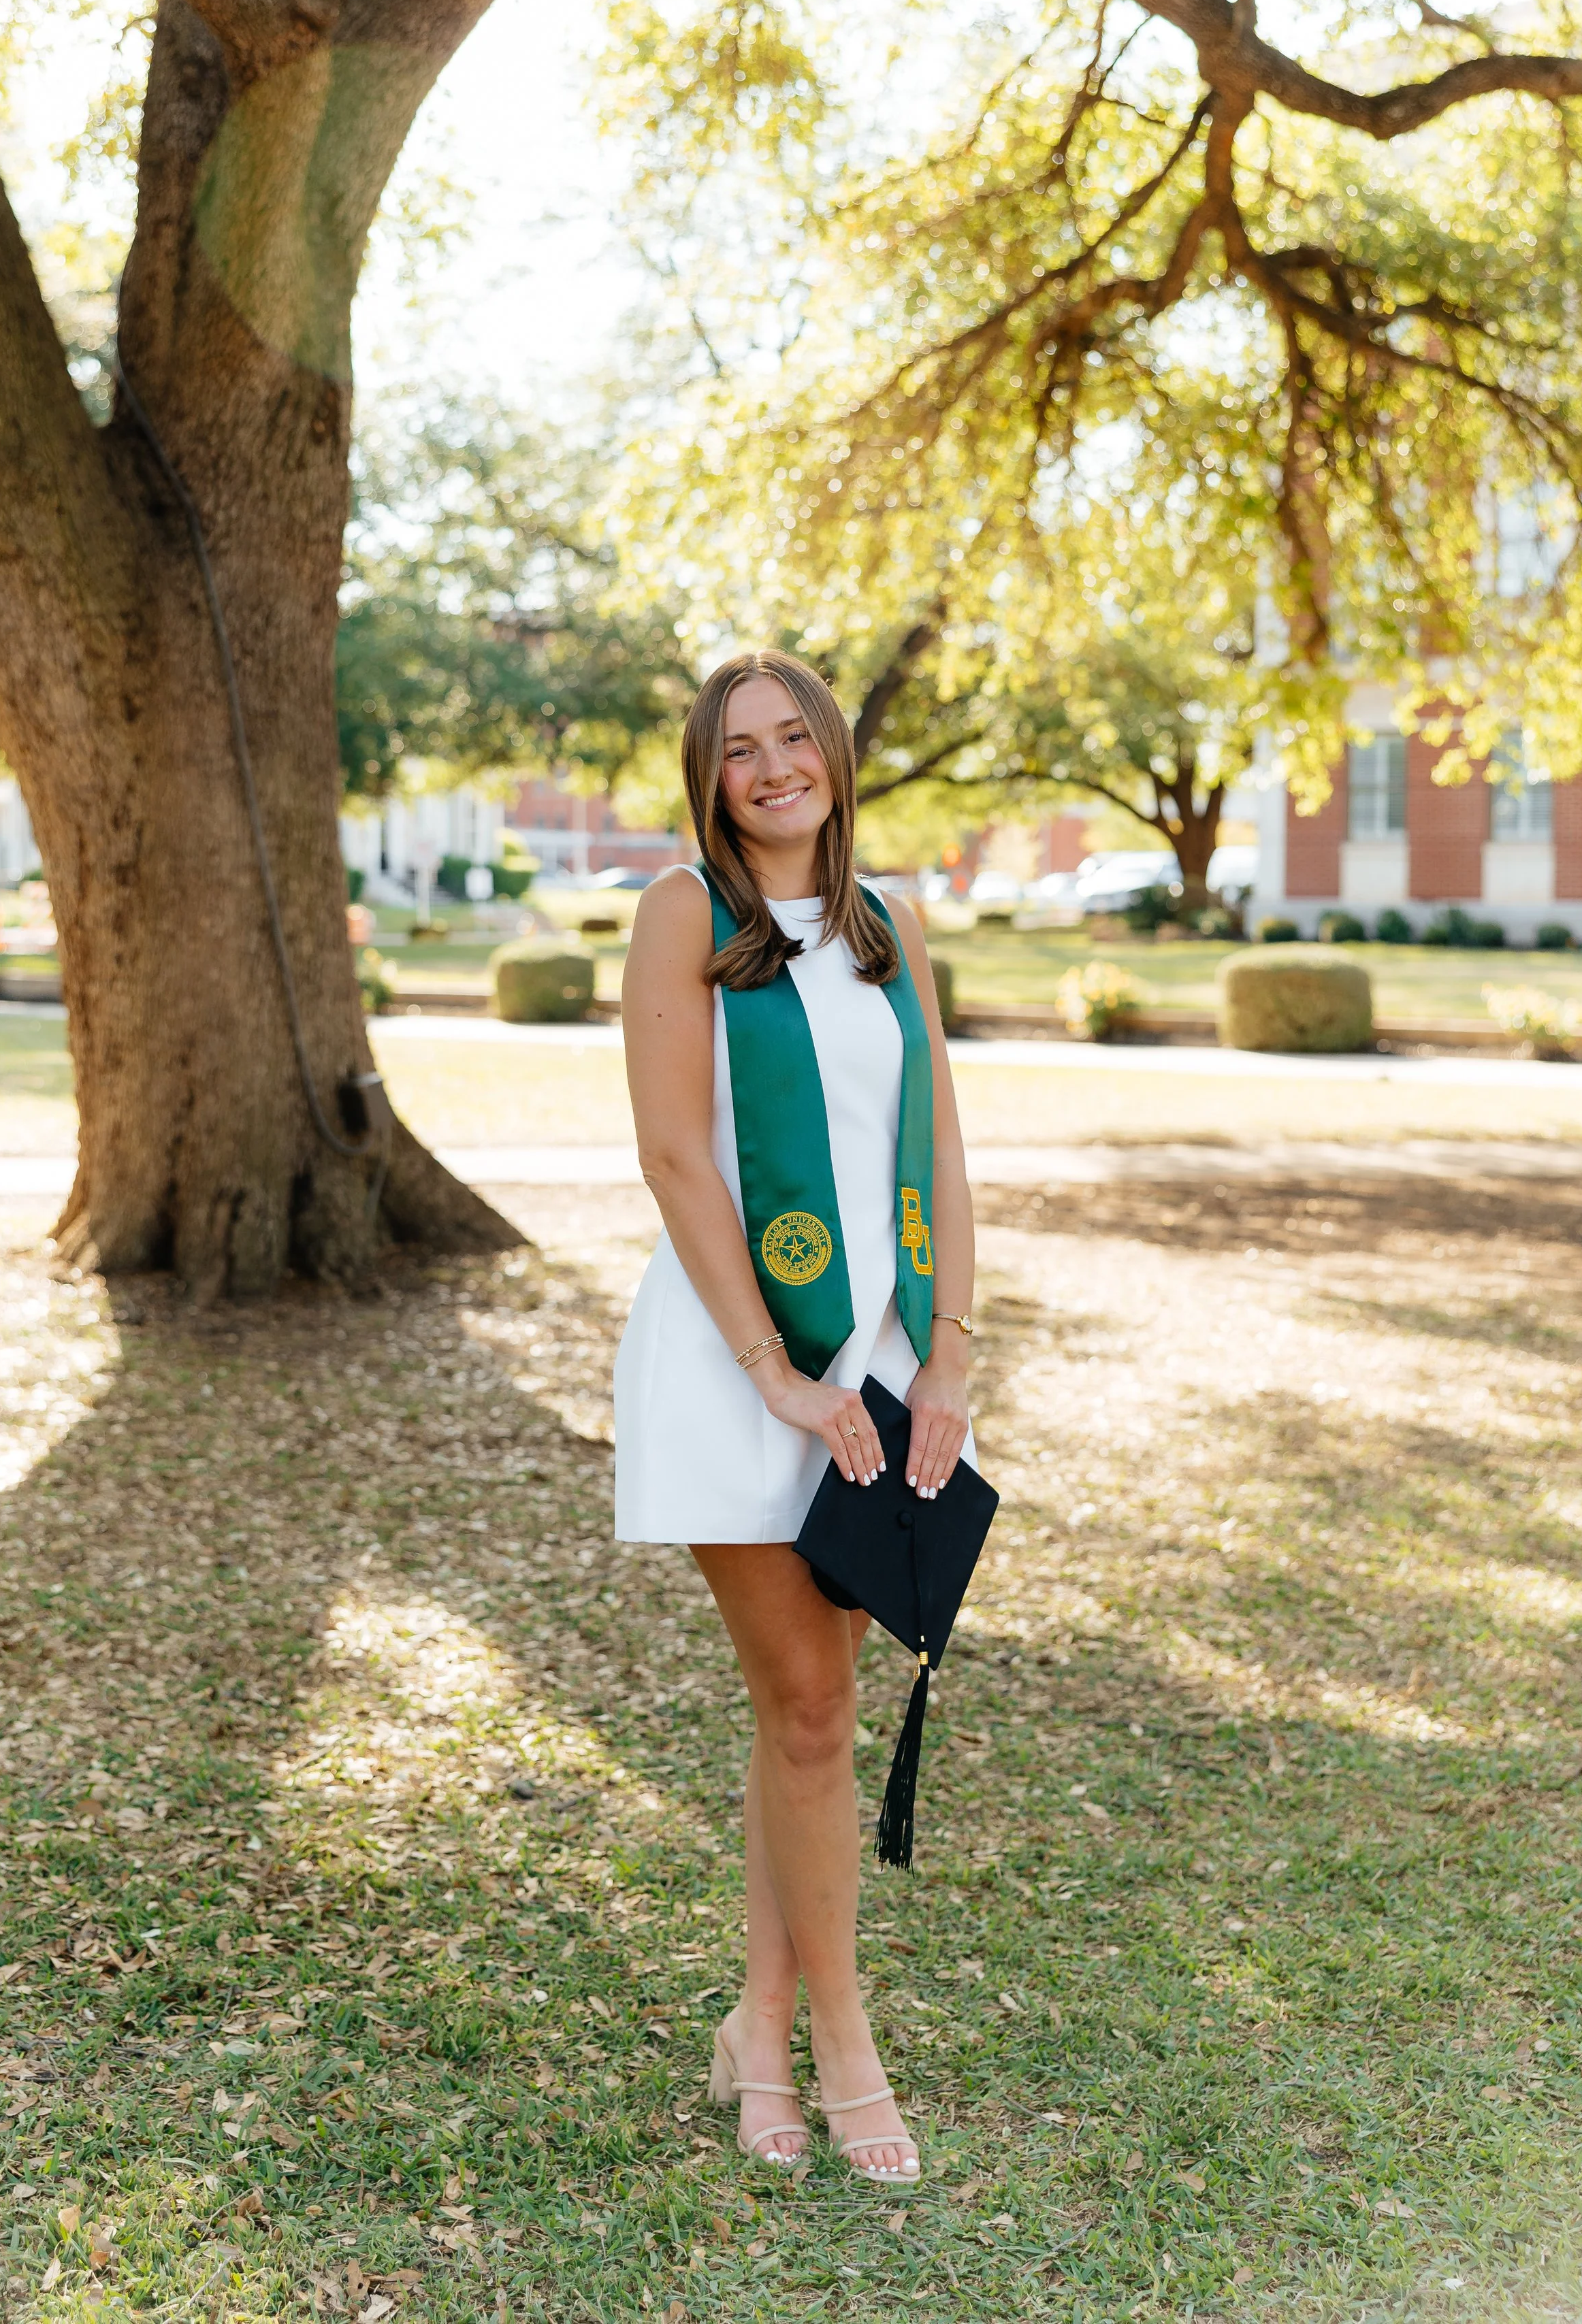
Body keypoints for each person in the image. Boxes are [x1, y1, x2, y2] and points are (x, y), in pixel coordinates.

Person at [614, 651, 975, 2180]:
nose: (771, 769)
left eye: (792, 740)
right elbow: (678, 1161)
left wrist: (948, 1354)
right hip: (732, 1364)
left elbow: (940, 1140)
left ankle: (760, 2020)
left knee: (805, 1717)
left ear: (830, 752)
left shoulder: (890, 922)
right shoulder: (684, 914)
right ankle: (843, 2047)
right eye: (738, 751)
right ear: (708, 779)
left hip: (878, 1372)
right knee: (809, 1708)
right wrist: (772, 1369)